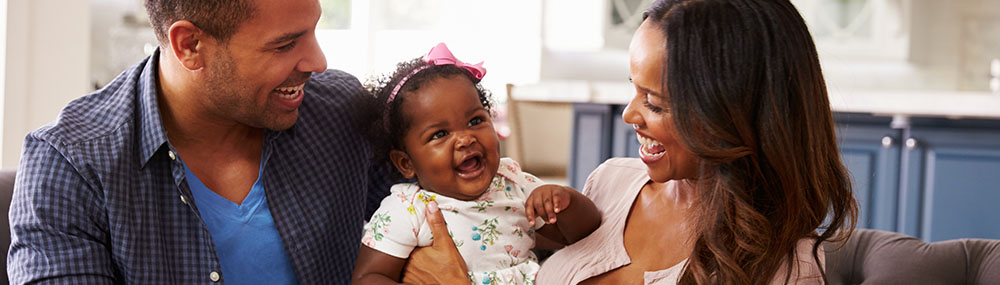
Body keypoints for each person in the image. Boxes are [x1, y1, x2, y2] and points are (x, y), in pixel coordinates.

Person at [403, 0, 858, 284]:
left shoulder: (783, 269)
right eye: (633, 90)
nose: (629, 115)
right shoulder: (611, 183)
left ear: (733, 113)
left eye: (655, 104)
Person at [7, 0, 395, 283]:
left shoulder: (342, 111)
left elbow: (440, 218)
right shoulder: (69, 164)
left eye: (314, 30)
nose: (318, 61)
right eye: (284, 44)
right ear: (189, 45)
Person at [350, 43, 601, 284]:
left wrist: (566, 201)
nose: (465, 139)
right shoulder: (408, 209)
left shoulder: (515, 184)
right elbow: (368, 278)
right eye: (440, 134)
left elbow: (584, 232)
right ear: (406, 163)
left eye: (475, 121)